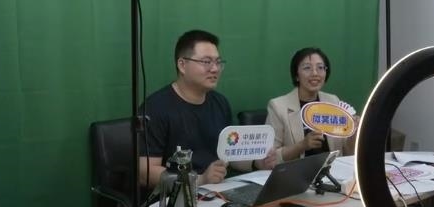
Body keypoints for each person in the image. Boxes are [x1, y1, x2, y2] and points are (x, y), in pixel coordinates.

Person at [138, 29, 265, 193]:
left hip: (216, 192)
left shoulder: (220, 102)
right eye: (206, 62)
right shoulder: (155, 107)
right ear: (182, 65)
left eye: (218, 62)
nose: (215, 69)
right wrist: (199, 180)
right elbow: (145, 173)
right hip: (174, 197)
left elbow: (230, 156)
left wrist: (256, 163)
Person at [264, 47, 355, 166]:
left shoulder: (333, 101)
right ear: (296, 75)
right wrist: (302, 145)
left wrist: (354, 134)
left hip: (333, 171)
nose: (315, 73)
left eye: (320, 68)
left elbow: (347, 153)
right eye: (307, 68)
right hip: (298, 173)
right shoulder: (278, 107)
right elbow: (269, 158)